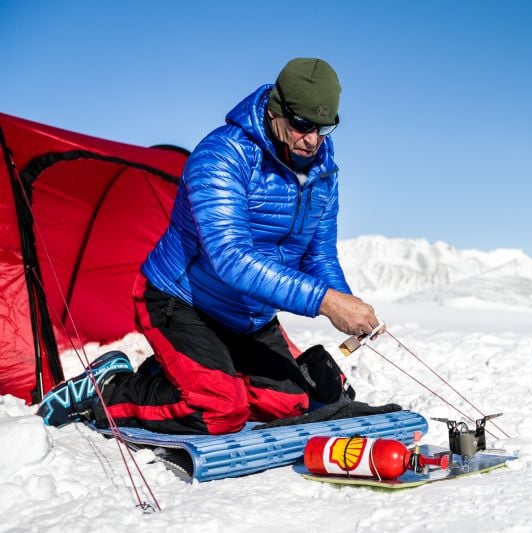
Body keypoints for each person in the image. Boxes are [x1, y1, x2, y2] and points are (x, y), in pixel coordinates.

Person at [38, 58, 389, 434]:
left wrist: (347, 303)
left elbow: (318, 254)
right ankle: (107, 389)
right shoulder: (222, 156)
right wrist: (327, 302)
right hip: (182, 301)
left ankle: (181, 373)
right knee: (218, 410)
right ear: (276, 110)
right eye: (302, 125)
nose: (312, 140)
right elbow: (231, 258)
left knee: (288, 403)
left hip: (248, 315)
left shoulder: (323, 172)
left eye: (324, 128)